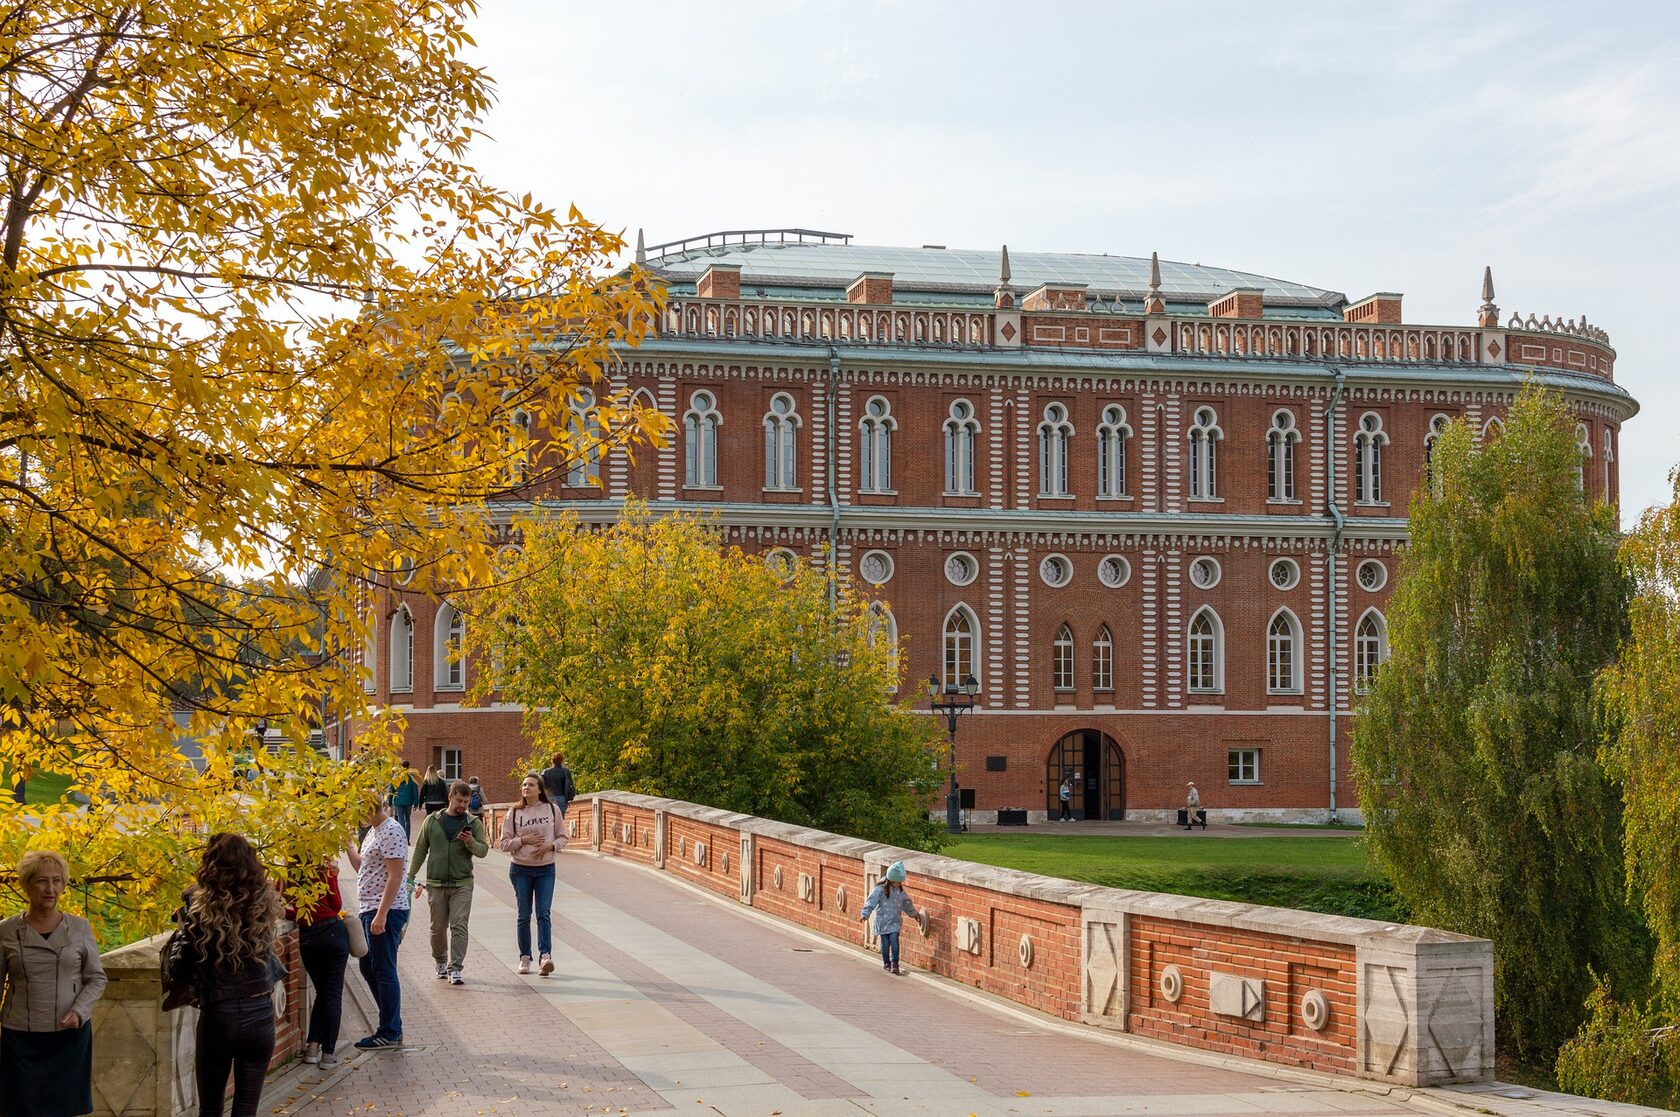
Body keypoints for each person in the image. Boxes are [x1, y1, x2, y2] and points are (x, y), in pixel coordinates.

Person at [173, 834, 285, 1117]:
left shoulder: (200, 911)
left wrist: (183, 925)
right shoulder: (262, 907)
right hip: (260, 1015)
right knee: (246, 1109)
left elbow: (181, 968)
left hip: (219, 1016)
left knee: (210, 1109)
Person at [0, 849, 107, 1117]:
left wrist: (79, 1011)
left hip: (69, 1036)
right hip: (20, 1038)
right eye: (42, 881)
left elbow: (96, 978)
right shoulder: (6, 931)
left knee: (64, 1109)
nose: (50, 889)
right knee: (20, 1108)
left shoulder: (80, 927)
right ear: (27, 885)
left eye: (57, 881)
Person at [407, 780, 487, 985]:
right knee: (437, 928)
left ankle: (456, 968)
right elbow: (420, 849)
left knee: (459, 926)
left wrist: (469, 842)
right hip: (436, 883)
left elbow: (483, 851)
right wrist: (410, 875)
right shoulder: (432, 821)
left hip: (463, 883)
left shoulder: (473, 823)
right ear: (450, 797)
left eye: (466, 802)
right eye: (459, 800)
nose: (462, 805)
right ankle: (440, 962)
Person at [345, 799, 409, 1048]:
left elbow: (395, 876)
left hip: (385, 910)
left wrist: (381, 914)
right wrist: (349, 845)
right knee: (368, 967)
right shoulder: (374, 831)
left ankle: (389, 1031)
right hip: (369, 908)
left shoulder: (391, 830)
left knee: (383, 969)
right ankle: (392, 1025)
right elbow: (364, 868)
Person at [498, 773, 567, 976]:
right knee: (523, 915)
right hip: (521, 869)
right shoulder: (514, 812)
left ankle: (545, 956)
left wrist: (550, 846)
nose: (526, 787)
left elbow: (563, 837)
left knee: (543, 913)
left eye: (531, 785)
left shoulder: (552, 810)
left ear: (540, 789)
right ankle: (525, 957)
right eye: (524, 784)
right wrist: (523, 840)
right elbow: (503, 844)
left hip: (546, 868)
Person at [285, 861, 348, 1070]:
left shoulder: (288, 874)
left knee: (322, 992)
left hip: (308, 939)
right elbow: (336, 904)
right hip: (332, 933)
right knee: (332, 995)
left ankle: (312, 1047)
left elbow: (288, 909)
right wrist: (334, 876)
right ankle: (328, 1053)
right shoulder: (323, 869)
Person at [859, 861, 921, 976]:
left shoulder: (900, 892)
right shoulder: (880, 889)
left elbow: (907, 904)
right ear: (891, 880)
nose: (898, 884)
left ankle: (895, 964)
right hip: (883, 922)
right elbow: (871, 901)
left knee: (894, 941)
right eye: (897, 882)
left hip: (894, 922)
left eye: (900, 882)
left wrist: (914, 914)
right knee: (885, 943)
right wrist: (865, 914)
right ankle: (886, 963)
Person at [539, 753, 576, 818]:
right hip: (562, 799)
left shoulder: (546, 772)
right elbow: (570, 785)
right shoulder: (565, 771)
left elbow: (539, 785)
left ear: (552, 760)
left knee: (548, 820)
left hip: (549, 799)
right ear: (562, 761)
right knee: (559, 820)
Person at [389, 764, 420, 838]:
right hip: (408, 801)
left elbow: (391, 789)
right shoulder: (411, 776)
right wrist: (416, 803)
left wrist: (390, 801)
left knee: (400, 819)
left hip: (398, 801)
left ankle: (401, 837)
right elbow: (415, 790)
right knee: (407, 819)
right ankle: (407, 838)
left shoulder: (397, 776)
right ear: (408, 766)